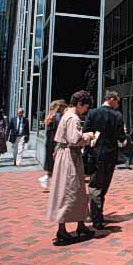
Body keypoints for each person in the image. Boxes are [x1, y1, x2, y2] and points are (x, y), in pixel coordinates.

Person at [47, 90, 95, 243]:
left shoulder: (66, 115)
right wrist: (89, 136)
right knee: (70, 190)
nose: (86, 110)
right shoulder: (73, 118)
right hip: (70, 157)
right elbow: (75, 139)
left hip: (65, 154)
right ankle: (63, 229)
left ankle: (79, 224)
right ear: (80, 104)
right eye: (86, 107)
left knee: (74, 191)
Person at [83, 90, 126, 229]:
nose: (118, 104)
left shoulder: (92, 113)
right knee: (103, 186)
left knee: (95, 185)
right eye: (117, 101)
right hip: (110, 156)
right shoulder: (117, 116)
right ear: (111, 99)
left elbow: (85, 132)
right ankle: (97, 216)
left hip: (95, 155)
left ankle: (96, 215)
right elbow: (121, 137)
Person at [38, 99, 67, 189]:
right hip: (54, 143)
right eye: (64, 107)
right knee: (56, 165)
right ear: (60, 107)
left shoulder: (51, 116)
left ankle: (47, 179)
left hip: (50, 143)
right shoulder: (58, 117)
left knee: (53, 165)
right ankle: (51, 182)